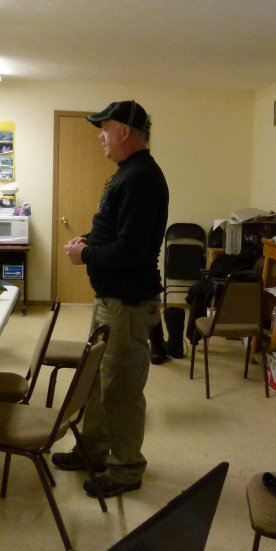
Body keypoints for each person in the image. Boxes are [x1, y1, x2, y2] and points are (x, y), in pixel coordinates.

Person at [51, 100, 168, 498]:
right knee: (99, 382)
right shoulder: (128, 174)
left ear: (125, 131)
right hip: (112, 300)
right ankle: (94, 451)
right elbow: (119, 234)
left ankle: (125, 469)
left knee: (120, 388)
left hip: (128, 303)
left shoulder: (140, 178)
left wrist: (85, 255)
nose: (100, 135)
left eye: (105, 127)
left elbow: (132, 251)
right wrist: (89, 238)